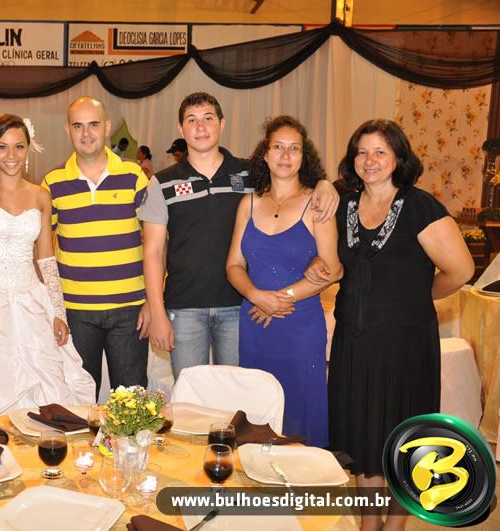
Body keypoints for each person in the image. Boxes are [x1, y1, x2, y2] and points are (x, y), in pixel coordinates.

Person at [314, 119, 473, 530]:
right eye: (362, 152)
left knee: (404, 437)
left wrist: (417, 296)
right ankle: (370, 522)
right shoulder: (345, 205)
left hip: (406, 344)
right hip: (354, 341)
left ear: (399, 158)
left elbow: (460, 270)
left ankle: (397, 524)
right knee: (363, 436)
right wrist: (324, 185)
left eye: (380, 152)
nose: (370, 160)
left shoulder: (421, 206)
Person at [140, 93, 339, 380]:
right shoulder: (162, 182)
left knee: (237, 395)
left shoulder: (249, 174)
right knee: (189, 395)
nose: (200, 127)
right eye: (191, 120)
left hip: (239, 306)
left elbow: (292, 181)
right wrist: (157, 310)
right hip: (184, 308)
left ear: (222, 124)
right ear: (181, 129)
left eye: (208, 118)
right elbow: (153, 252)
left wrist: (325, 184)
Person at [0, 114, 95, 411]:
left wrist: (59, 313)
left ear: (28, 148)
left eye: (19, 146)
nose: (11, 155)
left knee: (47, 384)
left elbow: (47, 261)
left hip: (30, 299)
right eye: (2, 147)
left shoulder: (41, 196)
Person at [225, 116, 341, 447]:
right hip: (255, 323)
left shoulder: (317, 204)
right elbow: (233, 264)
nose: (285, 155)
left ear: (304, 156)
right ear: (265, 154)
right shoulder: (248, 203)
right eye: (278, 147)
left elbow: (333, 270)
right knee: (256, 415)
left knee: (299, 413)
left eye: (294, 148)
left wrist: (280, 297)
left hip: (299, 326)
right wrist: (256, 295)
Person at [42, 96, 150, 398]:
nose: (86, 133)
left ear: (107, 127)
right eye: (78, 126)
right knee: (78, 402)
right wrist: (53, 309)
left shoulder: (134, 176)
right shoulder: (52, 183)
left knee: (132, 402)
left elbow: (156, 245)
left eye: (93, 124)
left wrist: (153, 302)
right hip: (75, 311)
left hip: (130, 309)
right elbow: (42, 254)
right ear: (67, 130)